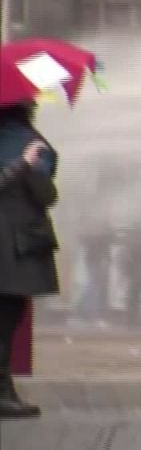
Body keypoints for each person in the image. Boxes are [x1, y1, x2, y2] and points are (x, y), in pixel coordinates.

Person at [0, 102, 60, 419]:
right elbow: (47, 196)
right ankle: (2, 393)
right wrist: (28, 165)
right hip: (14, 246)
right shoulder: (29, 144)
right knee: (7, 315)